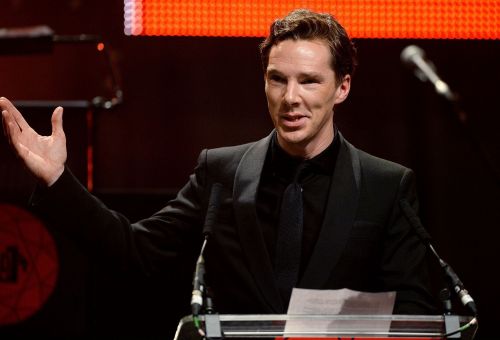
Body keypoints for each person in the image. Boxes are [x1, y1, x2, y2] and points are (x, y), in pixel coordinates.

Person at [0, 9, 435, 315]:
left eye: (309, 81)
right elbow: (135, 252)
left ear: (341, 88)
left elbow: (416, 312)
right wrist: (59, 180)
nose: (291, 98)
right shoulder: (221, 173)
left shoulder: (386, 185)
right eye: (277, 79)